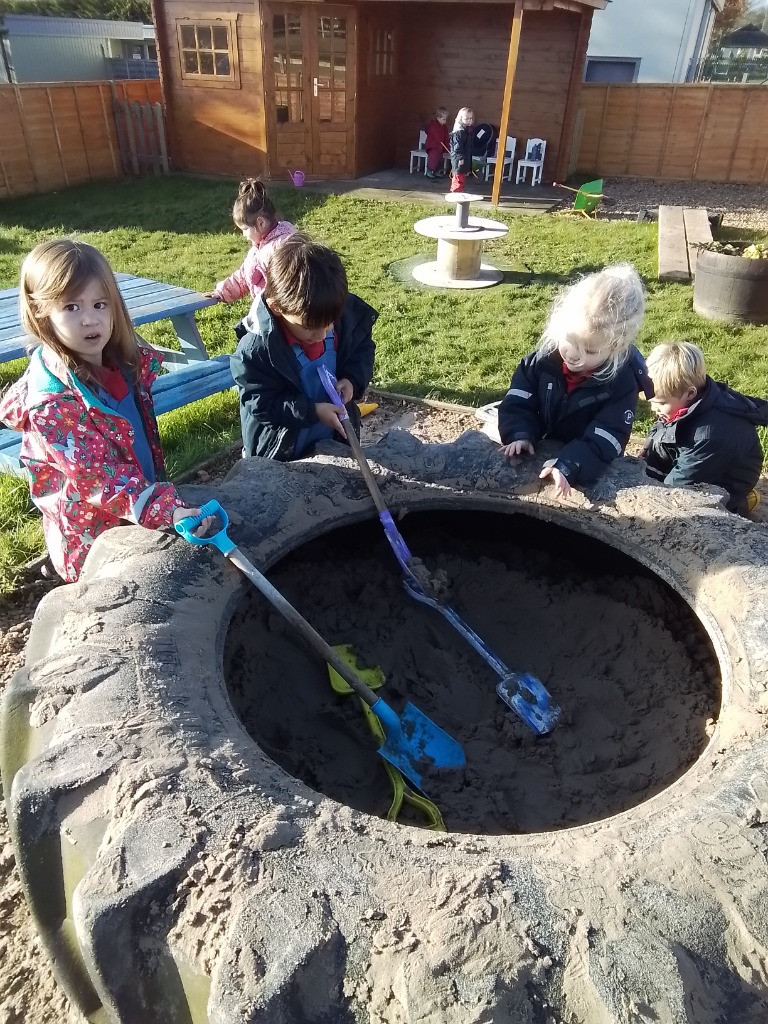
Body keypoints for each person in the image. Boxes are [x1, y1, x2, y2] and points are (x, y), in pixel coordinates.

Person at [0, 239, 211, 583]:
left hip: (134, 511)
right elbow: (97, 477)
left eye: (99, 304)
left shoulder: (122, 366)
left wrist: (156, 502)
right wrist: (164, 507)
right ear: (41, 312)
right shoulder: (52, 402)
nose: (89, 320)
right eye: (71, 308)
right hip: (92, 542)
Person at [498, 263, 650, 499]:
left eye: (589, 351)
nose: (573, 354)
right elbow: (519, 399)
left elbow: (607, 436)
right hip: (544, 442)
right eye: (569, 340)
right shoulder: (543, 360)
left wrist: (570, 465)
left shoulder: (621, 383)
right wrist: (519, 434)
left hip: (585, 457)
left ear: (615, 347)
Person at [230, 233, 377, 461]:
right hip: (281, 448)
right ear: (277, 307)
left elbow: (362, 351)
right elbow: (261, 403)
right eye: (309, 328)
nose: (321, 335)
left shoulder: (337, 315)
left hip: (330, 436)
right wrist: (312, 411)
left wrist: (352, 379)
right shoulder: (255, 351)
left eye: (329, 325)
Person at [642, 341, 767, 516]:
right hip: (697, 458)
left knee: (682, 508)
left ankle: (740, 505)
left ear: (690, 393)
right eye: (651, 401)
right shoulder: (685, 403)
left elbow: (679, 484)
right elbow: (664, 432)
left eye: (661, 403)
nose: (654, 408)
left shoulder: (709, 435)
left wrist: (653, 494)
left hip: (724, 481)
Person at [211, 178, 296, 332]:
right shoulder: (258, 250)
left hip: (283, 318)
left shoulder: (283, 247)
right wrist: (221, 292)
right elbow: (243, 276)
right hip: (268, 314)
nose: (244, 235)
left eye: (244, 229)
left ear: (261, 223)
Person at [449, 107, 474, 193]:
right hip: (459, 159)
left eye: (470, 118)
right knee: (458, 178)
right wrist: (460, 158)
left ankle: (458, 191)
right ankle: (456, 193)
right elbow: (457, 147)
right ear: (461, 119)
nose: (469, 120)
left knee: (461, 177)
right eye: (466, 118)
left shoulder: (466, 131)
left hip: (464, 158)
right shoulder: (458, 132)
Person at [424, 107, 449, 180]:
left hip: (440, 146)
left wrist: (447, 145)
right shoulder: (433, 125)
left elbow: (446, 136)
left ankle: (436, 171)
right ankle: (429, 171)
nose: (445, 121)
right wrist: (439, 140)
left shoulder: (444, 127)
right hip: (433, 146)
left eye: (446, 119)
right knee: (433, 158)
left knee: (440, 159)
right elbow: (435, 134)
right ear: (438, 118)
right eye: (444, 119)